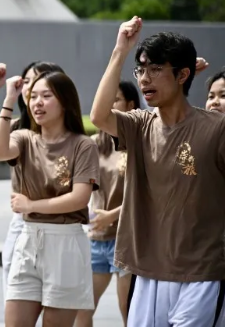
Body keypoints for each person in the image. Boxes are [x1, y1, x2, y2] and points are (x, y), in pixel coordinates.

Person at [90, 17, 225, 327]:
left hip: (203, 271)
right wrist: (120, 50)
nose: (144, 79)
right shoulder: (139, 125)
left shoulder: (217, 129)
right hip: (148, 270)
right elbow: (99, 115)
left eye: (155, 70)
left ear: (183, 75)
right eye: (140, 70)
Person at [0, 71, 99, 327]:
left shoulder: (83, 145)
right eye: (33, 96)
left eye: (46, 96)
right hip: (28, 240)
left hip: (66, 243)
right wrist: (9, 99)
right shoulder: (24, 138)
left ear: (65, 102)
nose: (37, 103)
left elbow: (79, 198)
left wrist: (31, 205)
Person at [0, 60, 65, 301]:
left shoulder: (71, 137)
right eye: (27, 81)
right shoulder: (18, 129)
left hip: (62, 223)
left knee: (61, 302)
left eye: (38, 80)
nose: (30, 87)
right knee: (16, 296)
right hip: (24, 222)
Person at [75, 80, 140, 327]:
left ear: (130, 105)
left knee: (128, 310)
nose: (108, 105)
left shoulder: (139, 143)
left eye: (115, 100)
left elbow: (146, 196)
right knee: (82, 310)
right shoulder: (92, 143)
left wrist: (112, 215)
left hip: (128, 240)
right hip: (96, 238)